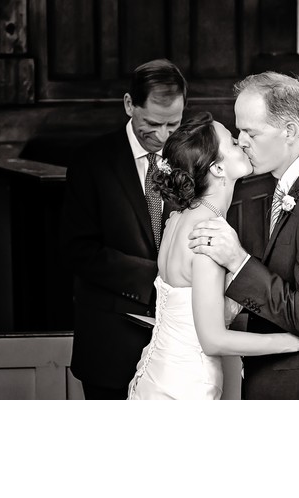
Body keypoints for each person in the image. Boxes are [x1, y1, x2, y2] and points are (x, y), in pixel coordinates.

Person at [126, 113, 299, 400]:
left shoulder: (177, 220)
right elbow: (213, 340)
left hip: (159, 374)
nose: (242, 143)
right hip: (185, 387)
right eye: (232, 141)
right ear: (217, 168)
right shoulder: (208, 235)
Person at [188, 72, 299, 400]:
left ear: (290, 130)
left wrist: (240, 262)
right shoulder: (293, 189)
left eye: (250, 132)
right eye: (239, 130)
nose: (241, 141)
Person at [62, 59, 187, 400]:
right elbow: (79, 251)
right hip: (111, 346)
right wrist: (160, 277)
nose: (162, 136)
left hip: (176, 350)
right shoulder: (91, 161)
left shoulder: (187, 160)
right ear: (130, 104)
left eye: (172, 125)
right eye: (152, 123)